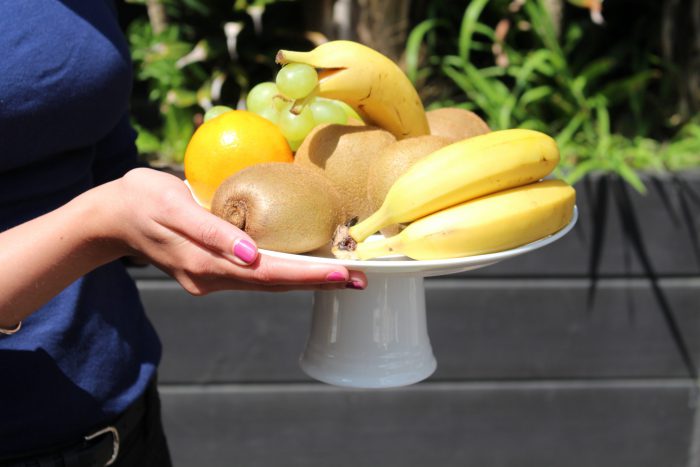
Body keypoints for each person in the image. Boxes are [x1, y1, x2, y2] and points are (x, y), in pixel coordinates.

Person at [0, 1, 367, 465]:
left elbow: (101, 158)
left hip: (126, 413)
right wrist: (101, 226)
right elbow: (107, 207)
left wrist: (204, 214)